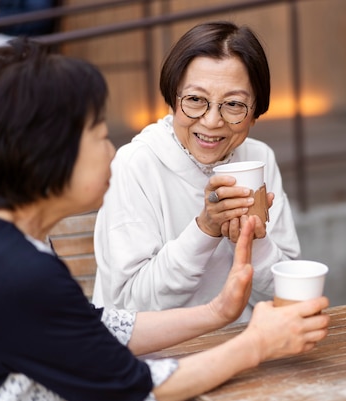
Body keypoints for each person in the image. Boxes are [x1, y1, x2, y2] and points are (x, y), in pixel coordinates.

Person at [0, 38, 329, 401]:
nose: (112, 151)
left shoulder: (14, 252)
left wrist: (218, 311)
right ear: (44, 152)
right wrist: (256, 344)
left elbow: (97, 328)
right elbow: (128, 389)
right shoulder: (19, 274)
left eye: (233, 104)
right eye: (99, 136)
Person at [92, 21, 300, 320]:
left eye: (233, 104)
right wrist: (205, 229)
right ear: (172, 99)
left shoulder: (258, 158)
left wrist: (255, 241)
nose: (212, 121)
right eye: (195, 100)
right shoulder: (135, 164)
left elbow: (287, 290)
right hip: (157, 358)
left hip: (242, 346)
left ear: (255, 112)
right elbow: (128, 307)